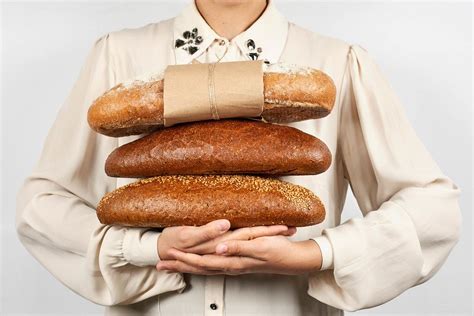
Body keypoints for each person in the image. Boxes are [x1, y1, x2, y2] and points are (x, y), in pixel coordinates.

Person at [16, 0, 462, 315]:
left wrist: (316, 254)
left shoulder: (338, 63)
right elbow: (41, 206)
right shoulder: (119, 55)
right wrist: (146, 247)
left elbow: (434, 211)